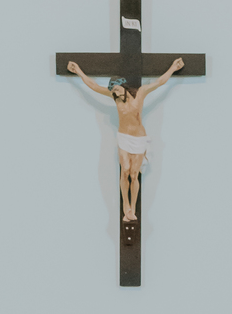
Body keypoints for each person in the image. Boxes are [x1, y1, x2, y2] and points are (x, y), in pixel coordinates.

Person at [65, 57, 184, 222]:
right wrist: (78, 71)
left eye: (117, 88)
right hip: (123, 138)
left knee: (134, 174)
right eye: (113, 91)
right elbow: (94, 86)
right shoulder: (115, 98)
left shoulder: (140, 94)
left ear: (124, 85)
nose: (115, 92)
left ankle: (132, 209)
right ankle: (125, 206)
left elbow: (159, 82)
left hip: (139, 138)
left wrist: (172, 68)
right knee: (125, 170)